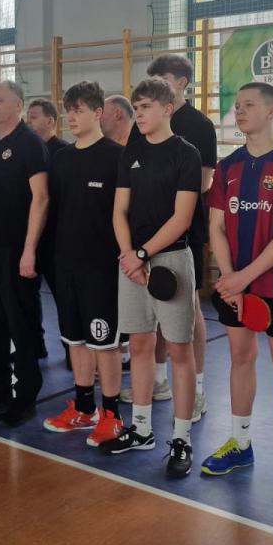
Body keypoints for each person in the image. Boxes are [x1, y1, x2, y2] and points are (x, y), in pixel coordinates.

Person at [202, 81, 273, 499]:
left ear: (271, 111)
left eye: (248, 105)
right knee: (240, 356)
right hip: (235, 283)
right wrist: (229, 277)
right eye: (237, 105)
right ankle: (240, 442)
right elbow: (216, 227)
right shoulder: (227, 167)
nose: (240, 111)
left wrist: (242, 277)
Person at [101, 78, 201, 479]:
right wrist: (130, 255)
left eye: (145, 107)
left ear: (167, 109)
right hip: (132, 262)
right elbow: (118, 211)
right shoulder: (132, 152)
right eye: (136, 107)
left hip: (171, 260)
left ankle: (182, 439)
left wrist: (142, 254)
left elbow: (182, 218)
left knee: (179, 350)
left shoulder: (186, 154)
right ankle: (141, 429)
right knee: (140, 344)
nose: (138, 114)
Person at [120, 56, 217, 424]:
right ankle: (158, 380)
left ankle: (197, 390)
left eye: (161, 77)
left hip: (182, 234)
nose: (155, 83)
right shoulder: (140, 131)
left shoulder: (199, 127)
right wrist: (134, 247)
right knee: (148, 317)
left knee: (187, 315)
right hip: (142, 239)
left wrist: (167, 210)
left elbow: (203, 183)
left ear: (181, 83)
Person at [42, 81, 124, 447]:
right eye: (68, 111)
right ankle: (84, 407)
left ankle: (112, 414)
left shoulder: (116, 157)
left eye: (78, 110)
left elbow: (127, 213)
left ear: (98, 113)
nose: (71, 117)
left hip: (102, 267)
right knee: (74, 339)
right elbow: (56, 210)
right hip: (66, 263)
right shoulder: (61, 159)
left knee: (103, 343)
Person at [0, 80, 50, 425]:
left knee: (20, 321)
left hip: (16, 248)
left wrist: (30, 249)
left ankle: (26, 393)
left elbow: (41, 198)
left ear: (18, 105)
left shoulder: (29, 143)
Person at [27, 97, 68, 360]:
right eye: (27, 117)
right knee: (29, 296)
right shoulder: (27, 151)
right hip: (32, 237)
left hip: (55, 237)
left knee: (63, 298)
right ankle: (35, 345)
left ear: (50, 120)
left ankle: (72, 350)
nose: (28, 122)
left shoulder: (63, 153)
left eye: (34, 117)